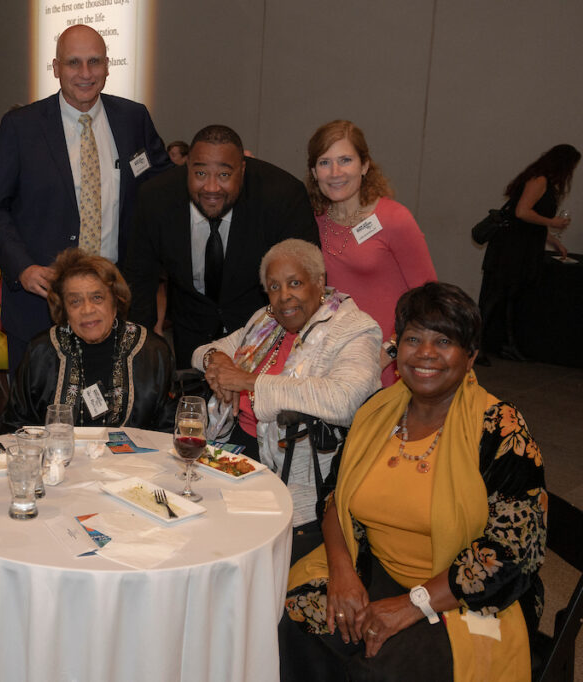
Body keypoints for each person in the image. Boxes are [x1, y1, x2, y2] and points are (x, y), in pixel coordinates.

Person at [280, 282, 545, 682]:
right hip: (375, 568)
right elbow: (336, 497)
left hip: (463, 597)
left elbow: (512, 553)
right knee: (290, 623)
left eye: (444, 341)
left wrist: (412, 604)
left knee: (379, 669)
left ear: (470, 356)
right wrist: (342, 573)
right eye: (413, 338)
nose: (425, 353)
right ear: (397, 349)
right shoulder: (377, 411)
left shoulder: (500, 429)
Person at [0, 23, 172, 374]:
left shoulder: (133, 118)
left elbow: (162, 187)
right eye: (74, 63)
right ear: (55, 68)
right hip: (41, 302)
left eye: (95, 62)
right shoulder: (22, 126)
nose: (85, 73)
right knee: (38, 418)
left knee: (110, 414)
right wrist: (22, 267)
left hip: (114, 303)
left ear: (108, 66)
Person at [192, 239, 380, 558]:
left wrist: (250, 381)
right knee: (186, 524)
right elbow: (204, 351)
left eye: (295, 283)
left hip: (296, 470)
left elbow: (344, 399)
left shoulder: (355, 329)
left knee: (222, 547)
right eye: (274, 287)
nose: (284, 297)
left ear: (319, 282)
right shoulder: (266, 322)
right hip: (235, 447)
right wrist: (218, 361)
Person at [125, 124, 319, 367]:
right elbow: (139, 281)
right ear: (187, 166)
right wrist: (141, 356)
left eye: (224, 175)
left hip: (265, 339)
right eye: (200, 174)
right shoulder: (156, 198)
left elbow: (304, 282)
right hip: (190, 339)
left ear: (243, 169)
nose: (211, 188)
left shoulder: (282, 196)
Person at [306, 120, 436, 385]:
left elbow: (429, 299)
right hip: (335, 362)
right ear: (313, 171)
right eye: (324, 162)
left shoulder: (393, 218)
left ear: (364, 166)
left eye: (345, 160)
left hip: (389, 363)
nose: (335, 172)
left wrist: (389, 351)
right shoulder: (312, 221)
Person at [6, 248, 174, 431]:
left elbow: (169, 431)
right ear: (64, 310)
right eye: (75, 301)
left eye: (97, 298)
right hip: (59, 457)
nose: (87, 310)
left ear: (115, 302)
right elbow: (16, 427)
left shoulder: (152, 351)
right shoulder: (42, 351)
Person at [479, 143, 579, 361]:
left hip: (519, 247)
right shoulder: (539, 180)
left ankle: (504, 344)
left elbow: (529, 221)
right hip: (511, 249)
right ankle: (477, 346)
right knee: (495, 297)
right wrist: (553, 222)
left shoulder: (542, 180)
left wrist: (553, 241)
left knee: (509, 297)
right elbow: (522, 212)